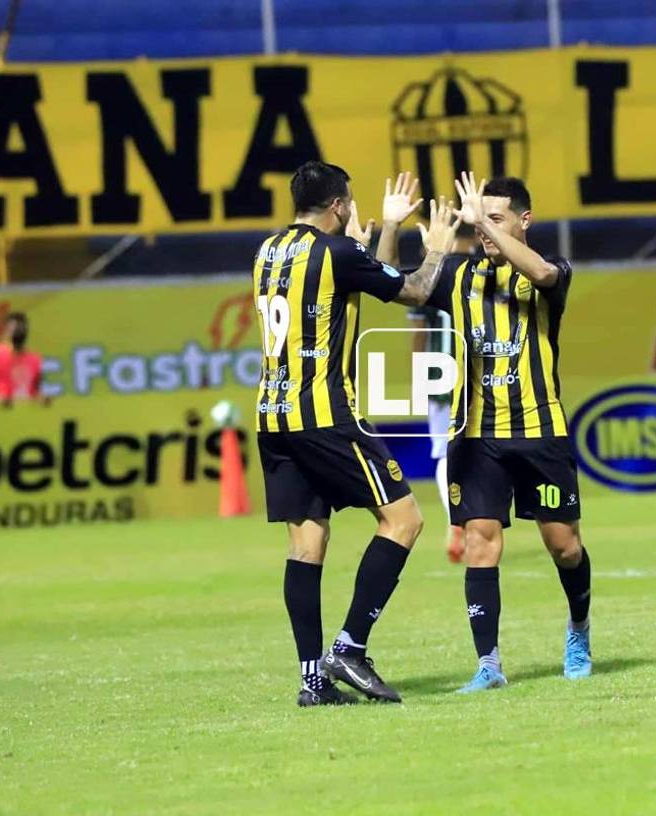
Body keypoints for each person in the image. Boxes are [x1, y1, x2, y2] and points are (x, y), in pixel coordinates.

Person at [252, 162, 457, 705]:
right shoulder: (337, 253)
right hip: (325, 414)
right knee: (404, 519)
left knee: (307, 542)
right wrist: (436, 248)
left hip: (273, 416)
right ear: (339, 206)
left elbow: (361, 279)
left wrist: (386, 231)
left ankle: (312, 681)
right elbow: (414, 290)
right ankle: (349, 647)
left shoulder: (268, 251)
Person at [414, 171, 592, 692]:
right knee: (479, 543)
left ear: (524, 220)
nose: (482, 228)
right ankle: (488, 665)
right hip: (477, 436)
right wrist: (398, 242)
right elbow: (404, 290)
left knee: (565, 547)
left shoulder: (549, 271)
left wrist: (485, 226)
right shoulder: (459, 276)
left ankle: (578, 629)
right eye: (478, 220)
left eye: (494, 218)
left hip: (539, 429)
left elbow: (540, 271)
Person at [408, 222, 478, 563]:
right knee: (478, 449)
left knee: (443, 451)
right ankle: (473, 518)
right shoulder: (479, 267)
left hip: (439, 375)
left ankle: (456, 521)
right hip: (476, 373)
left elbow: (419, 333)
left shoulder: (430, 274)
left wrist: (419, 376)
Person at [0, 312, 45, 406]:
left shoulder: (35, 359)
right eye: (13, 329)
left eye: (21, 329)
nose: (18, 333)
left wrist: (42, 400)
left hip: (26, 411)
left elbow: (36, 390)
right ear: (6, 331)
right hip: (2, 411)